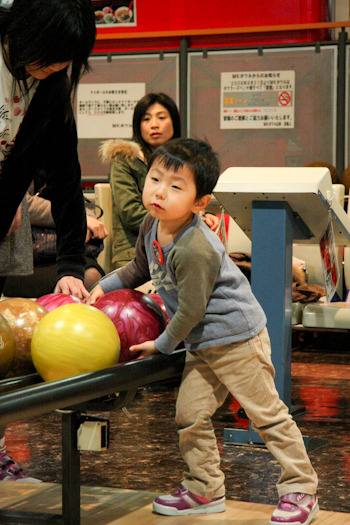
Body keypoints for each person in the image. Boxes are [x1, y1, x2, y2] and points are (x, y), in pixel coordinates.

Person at [88, 138, 319, 525]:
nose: (160, 191)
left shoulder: (194, 246)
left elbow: (192, 310)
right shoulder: (152, 223)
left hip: (237, 340)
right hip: (202, 341)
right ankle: (205, 487)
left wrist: (162, 345)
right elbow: (137, 270)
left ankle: (301, 489)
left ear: (200, 203)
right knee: (190, 416)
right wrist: (104, 286)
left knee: (267, 416)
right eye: (155, 178)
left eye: (176, 186)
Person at [0, 0, 96, 481]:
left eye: (65, 62)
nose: (55, 69)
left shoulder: (53, 83)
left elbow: (65, 178)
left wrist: (71, 269)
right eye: (49, 57)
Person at [99, 92, 219, 269]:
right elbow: (131, 213)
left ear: (174, 122)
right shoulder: (126, 159)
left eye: (161, 117)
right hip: (133, 251)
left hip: (181, 245)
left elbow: (188, 201)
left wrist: (202, 216)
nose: (154, 125)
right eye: (146, 119)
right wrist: (184, 221)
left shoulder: (188, 161)